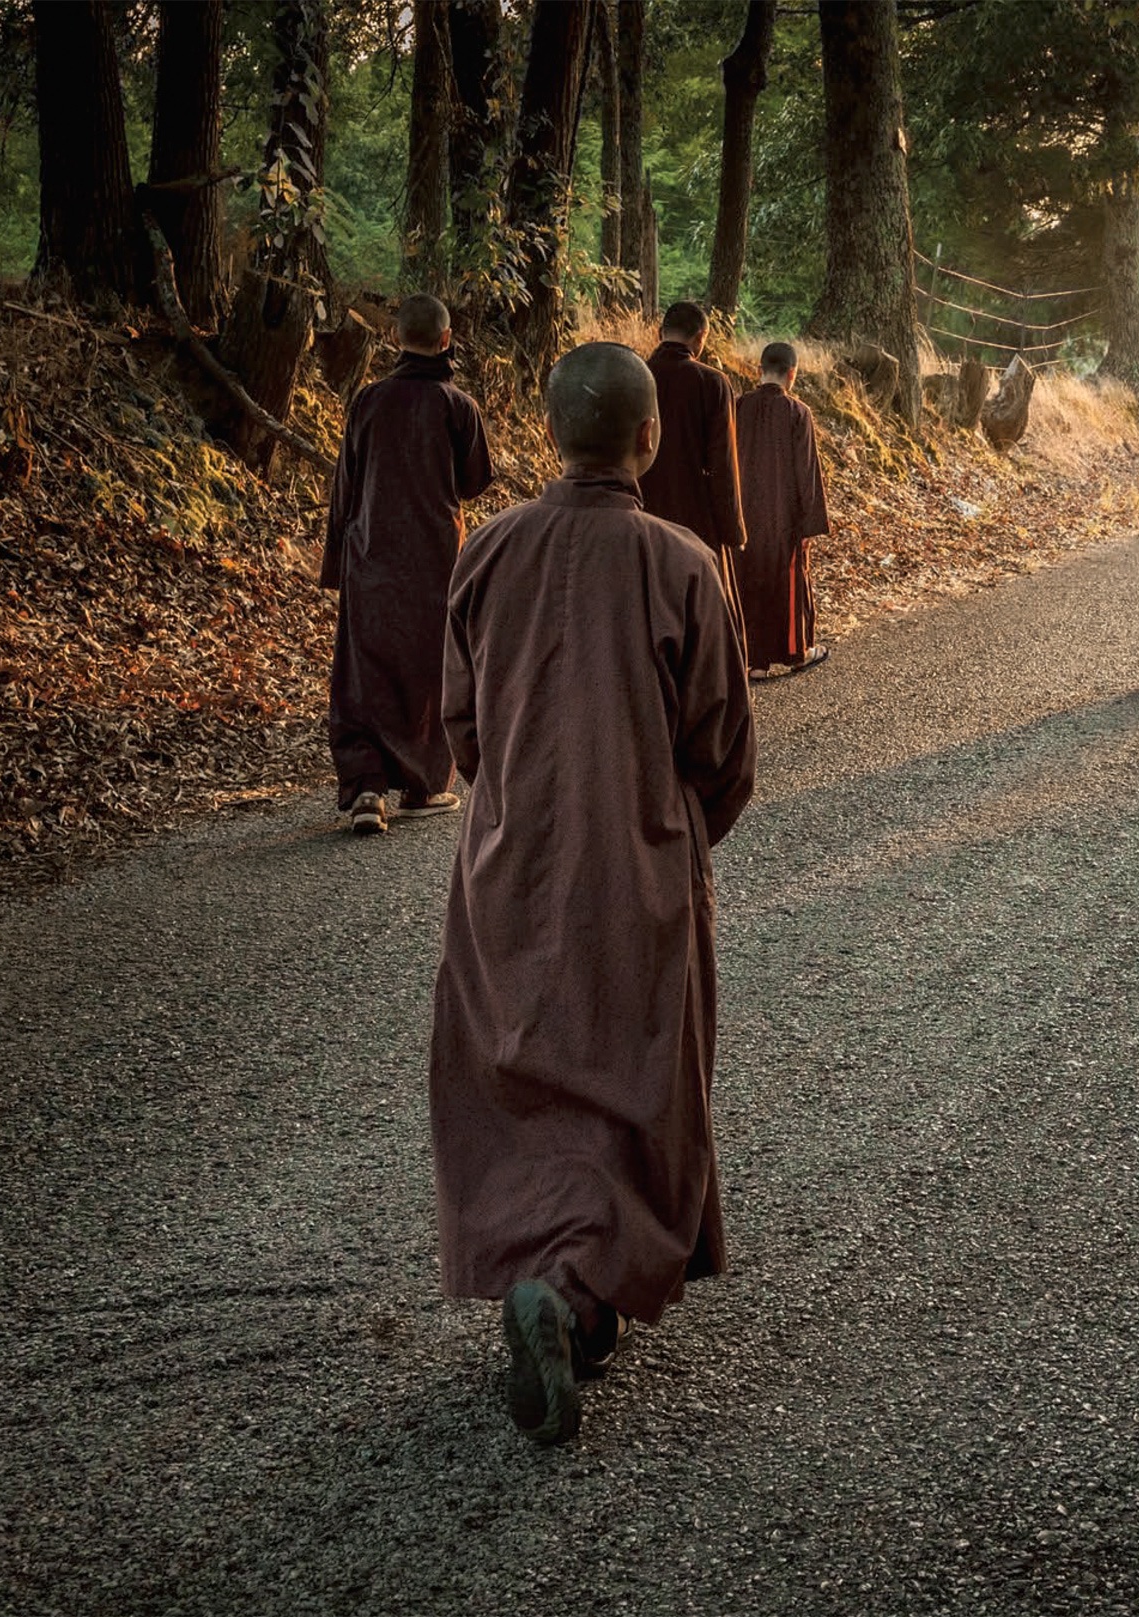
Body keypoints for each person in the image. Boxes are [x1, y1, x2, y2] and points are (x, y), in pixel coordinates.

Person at [428, 341, 756, 1446]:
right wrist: (666, 839)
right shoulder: (681, 564)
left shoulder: (488, 551)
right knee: (629, 1072)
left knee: (520, 1069)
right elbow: (724, 748)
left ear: (545, 431)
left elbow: (461, 725)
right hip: (641, 861)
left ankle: (540, 1278)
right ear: (651, 439)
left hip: (507, 860)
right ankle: (575, 1295)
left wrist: (515, 811)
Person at [320, 294, 493, 834]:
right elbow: (473, 481)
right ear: (447, 340)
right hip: (435, 556)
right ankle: (422, 786)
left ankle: (368, 788)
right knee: (428, 667)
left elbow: (344, 486)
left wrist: (334, 563)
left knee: (364, 669)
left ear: (396, 339)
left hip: (370, 551)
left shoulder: (368, 400)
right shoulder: (456, 405)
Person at [643, 301, 750, 664]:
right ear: (701, 337)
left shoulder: (636, 376)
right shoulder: (711, 382)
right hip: (695, 516)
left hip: (640, 512)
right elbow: (723, 464)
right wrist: (732, 530)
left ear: (661, 331)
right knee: (707, 615)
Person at [734, 342, 831, 677]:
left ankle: (754, 662)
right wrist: (809, 524)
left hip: (742, 516)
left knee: (746, 581)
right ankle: (798, 651)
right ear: (792, 373)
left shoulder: (737, 407)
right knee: (788, 583)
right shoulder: (796, 412)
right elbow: (807, 472)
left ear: (758, 370)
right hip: (782, 517)